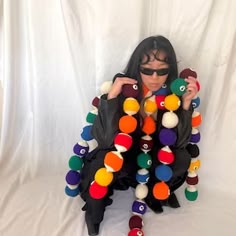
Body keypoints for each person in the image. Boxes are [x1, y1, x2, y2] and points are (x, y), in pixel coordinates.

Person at [79, 35, 199, 235]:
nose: (154, 77)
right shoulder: (125, 90)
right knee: (103, 158)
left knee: (181, 158)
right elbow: (105, 140)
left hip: (154, 161)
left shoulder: (172, 97)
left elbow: (179, 143)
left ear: (170, 71)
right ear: (137, 66)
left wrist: (186, 104)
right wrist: (111, 99)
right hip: (125, 158)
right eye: (147, 70)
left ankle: (154, 191)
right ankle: (94, 210)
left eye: (161, 71)